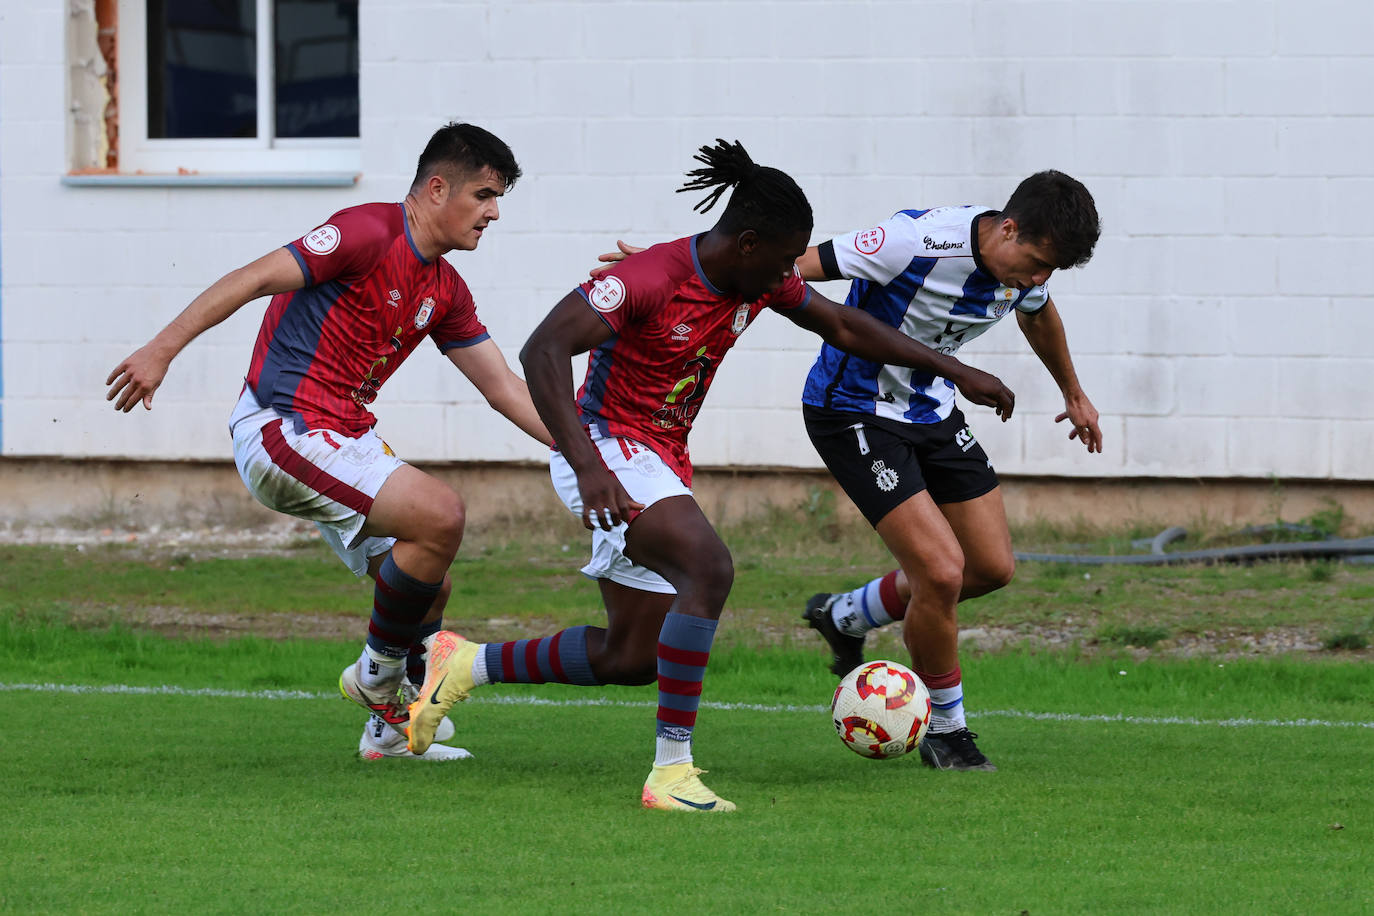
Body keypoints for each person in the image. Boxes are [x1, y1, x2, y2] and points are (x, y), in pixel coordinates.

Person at [405, 140, 1016, 812]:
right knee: (710, 568)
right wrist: (587, 462)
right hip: (610, 449)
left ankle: (464, 664)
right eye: (785, 259)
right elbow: (542, 349)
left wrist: (956, 370)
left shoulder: (760, 275)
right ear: (748, 243)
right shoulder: (649, 277)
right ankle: (671, 774)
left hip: (659, 459)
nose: (793, 274)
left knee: (631, 657)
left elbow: (843, 322)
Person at [104, 122, 552, 761]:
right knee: (441, 516)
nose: (493, 212)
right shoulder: (367, 232)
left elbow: (504, 387)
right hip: (282, 426)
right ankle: (375, 678)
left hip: (342, 435)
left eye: (498, 197)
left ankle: (389, 735)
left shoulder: (446, 288)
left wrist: (580, 453)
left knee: (427, 580)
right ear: (435, 188)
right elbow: (254, 277)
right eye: (483, 194)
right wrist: (160, 350)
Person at [795, 172, 1102, 772]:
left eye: (1051, 271)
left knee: (990, 568)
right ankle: (947, 729)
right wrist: (675, 269)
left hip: (931, 412)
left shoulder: (1026, 272)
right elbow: (792, 267)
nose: (1037, 279)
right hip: (852, 411)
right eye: (1037, 262)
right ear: (1007, 229)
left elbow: (1038, 314)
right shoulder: (912, 241)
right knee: (939, 572)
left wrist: (1075, 393)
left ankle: (845, 615)